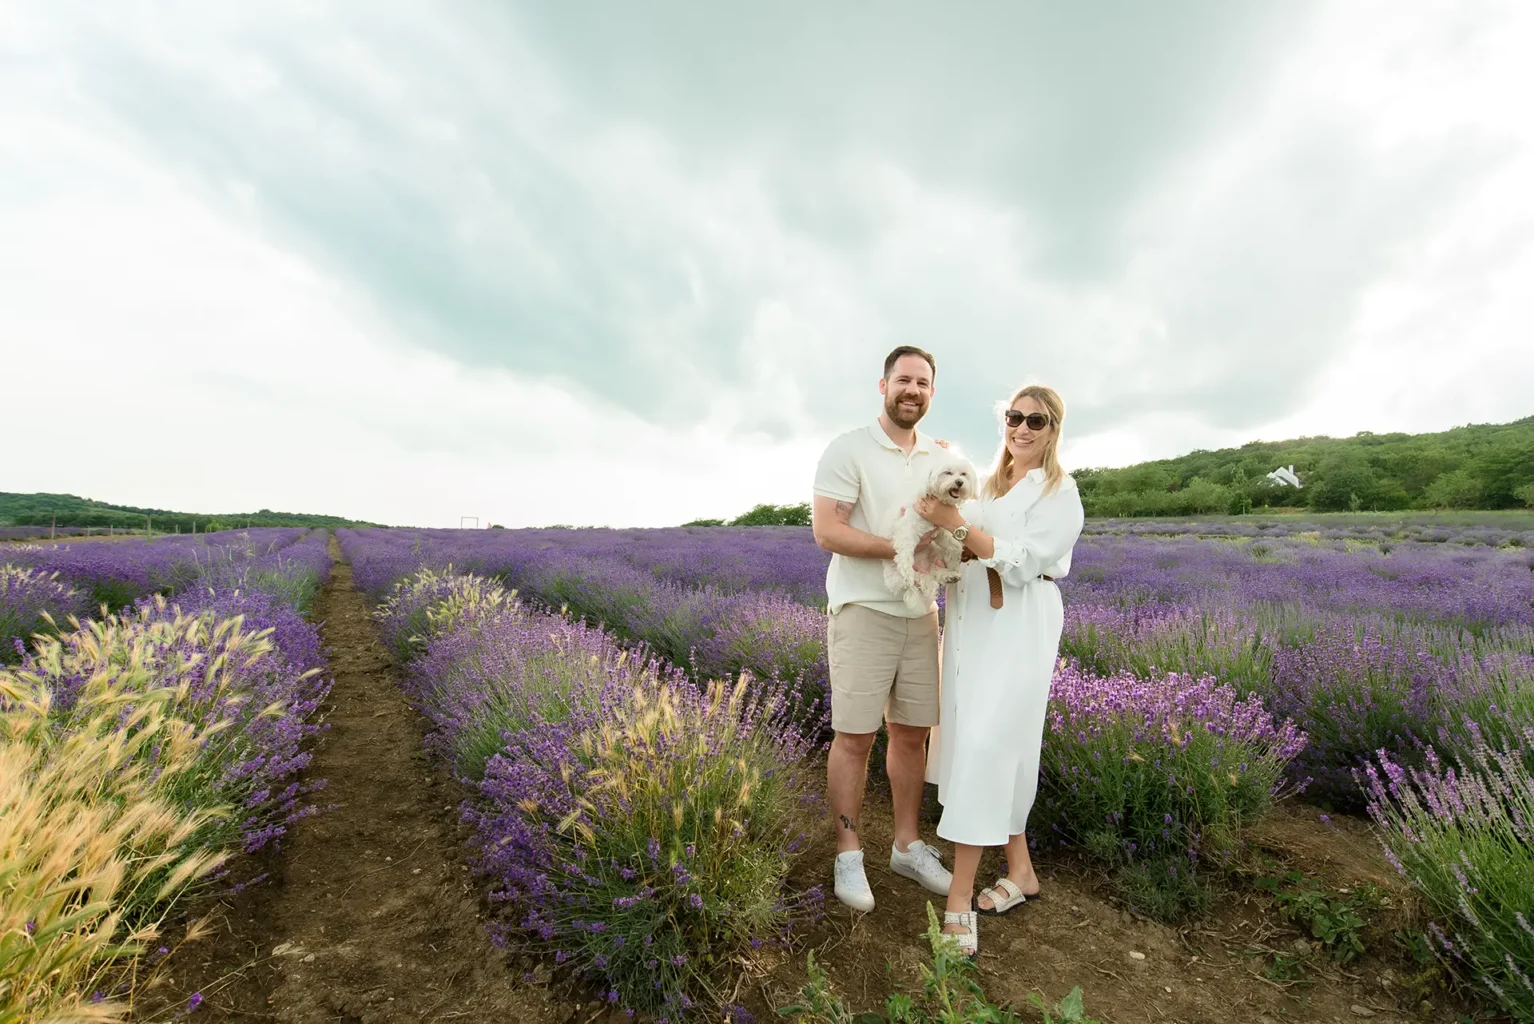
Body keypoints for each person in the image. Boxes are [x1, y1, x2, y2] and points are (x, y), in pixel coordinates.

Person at [914, 384, 1084, 955]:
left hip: (1020, 621)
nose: (1023, 428)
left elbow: (1020, 559)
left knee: (989, 745)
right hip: (970, 621)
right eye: (1015, 417)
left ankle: (958, 899)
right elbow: (957, 528)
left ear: (1053, 429)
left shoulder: (1060, 492)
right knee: (979, 740)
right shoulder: (988, 482)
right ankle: (1022, 870)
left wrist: (957, 527)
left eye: (1037, 420)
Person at [811, 345, 955, 912]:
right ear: (883, 385)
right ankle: (849, 852)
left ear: (931, 392)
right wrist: (903, 553)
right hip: (864, 610)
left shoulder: (937, 459)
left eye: (922, 382)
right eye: (903, 380)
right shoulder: (848, 449)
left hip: (920, 615)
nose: (912, 390)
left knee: (911, 732)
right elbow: (828, 531)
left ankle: (907, 845)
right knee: (854, 737)